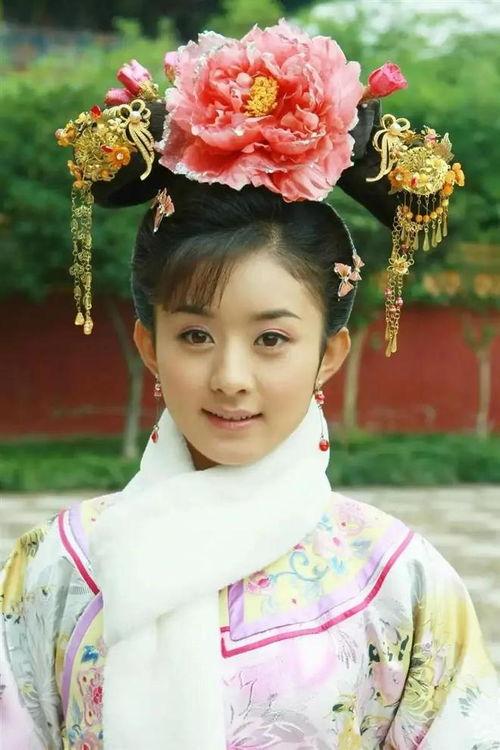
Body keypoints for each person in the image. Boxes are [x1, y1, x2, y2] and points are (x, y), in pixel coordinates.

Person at [1, 19, 498, 750]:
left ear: (328, 354)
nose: (231, 379)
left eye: (271, 340)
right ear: (149, 345)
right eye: (195, 336)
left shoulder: (399, 582)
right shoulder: (57, 567)